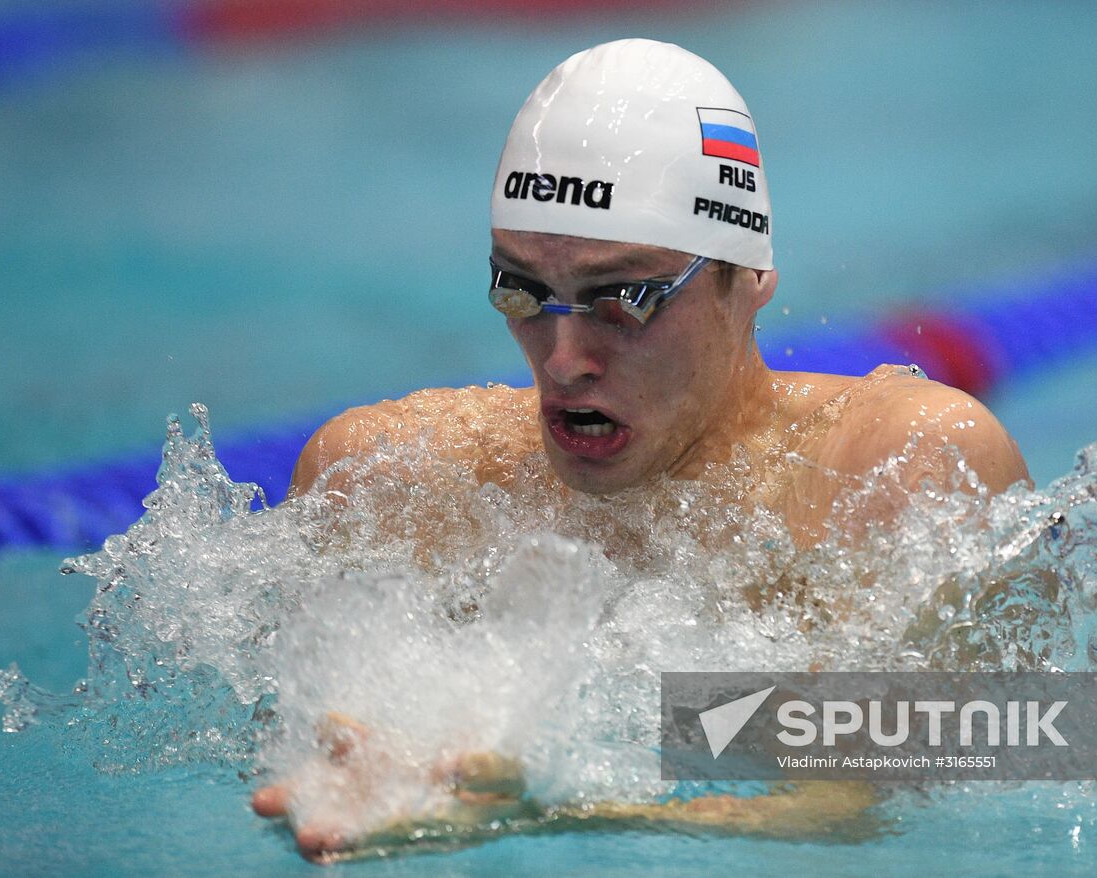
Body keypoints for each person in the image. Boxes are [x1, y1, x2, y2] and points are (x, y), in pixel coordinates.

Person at [252, 38, 1030, 861]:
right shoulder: (394, 483)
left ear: (748, 273)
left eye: (624, 299)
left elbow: (1019, 755)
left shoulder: (898, 466)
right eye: (520, 290)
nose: (563, 359)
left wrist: (555, 792)